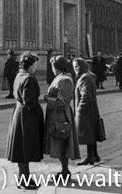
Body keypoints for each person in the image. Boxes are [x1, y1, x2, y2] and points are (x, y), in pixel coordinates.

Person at [6, 52, 45, 189]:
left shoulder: (19, 75)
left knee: (22, 149)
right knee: (25, 149)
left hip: (19, 113)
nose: (36, 67)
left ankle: (24, 177)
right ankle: (24, 179)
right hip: (27, 117)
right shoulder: (29, 78)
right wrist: (37, 109)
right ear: (29, 65)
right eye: (35, 64)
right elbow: (29, 101)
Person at [44, 55, 79, 183]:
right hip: (56, 115)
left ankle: (65, 171)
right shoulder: (60, 77)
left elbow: (63, 102)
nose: (52, 69)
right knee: (58, 144)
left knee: (62, 143)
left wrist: (48, 100)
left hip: (61, 116)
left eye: (52, 66)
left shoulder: (65, 80)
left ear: (57, 67)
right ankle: (64, 170)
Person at [73, 58, 105, 165]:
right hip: (91, 108)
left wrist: (80, 110)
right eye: (74, 67)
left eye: (77, 66)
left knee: (88, 132)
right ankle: (94, 155)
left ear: (82, 66)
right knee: (92, 131)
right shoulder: (87, 75)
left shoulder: (84, 78)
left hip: (86, 110)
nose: (75, 69)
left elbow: (85, 95)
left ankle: (90, 156)